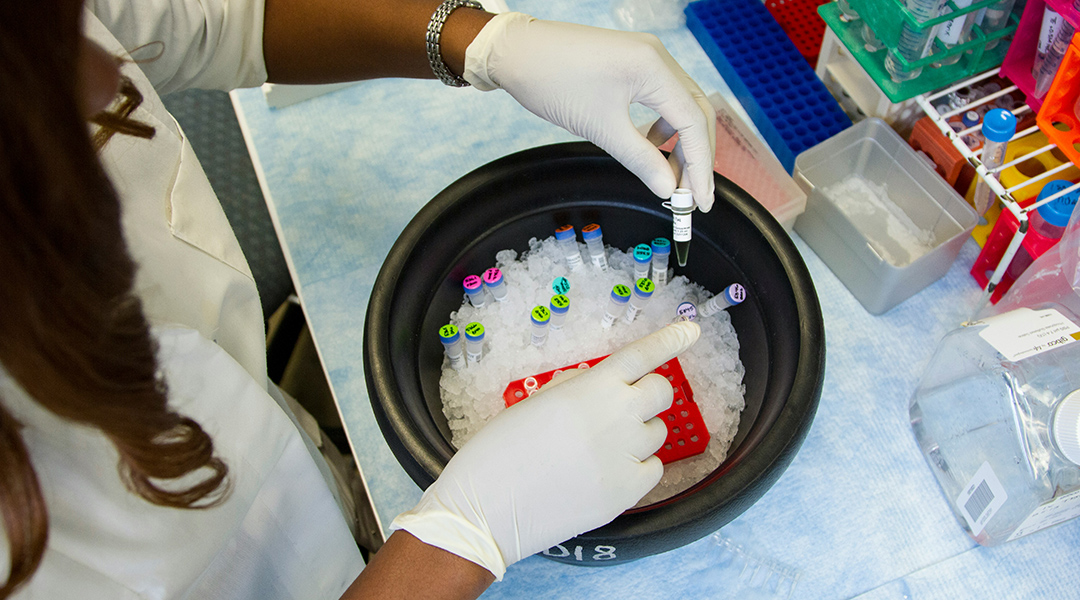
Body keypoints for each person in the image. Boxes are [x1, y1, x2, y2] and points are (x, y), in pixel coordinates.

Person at [0, 0, 713, 598]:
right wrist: (461, 540)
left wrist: (484, 41)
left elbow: (216, 19)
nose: (110, 81)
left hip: (275, 463)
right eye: (40, 73)